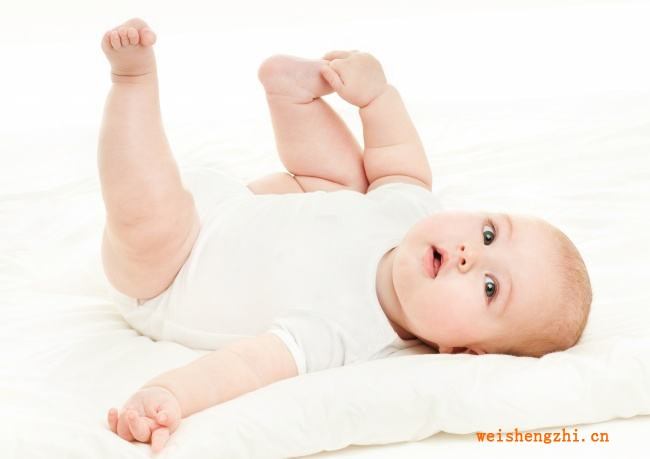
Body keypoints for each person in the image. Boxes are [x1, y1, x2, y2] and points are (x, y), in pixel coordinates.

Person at [99, 18, 592, 453]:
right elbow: (399, 162)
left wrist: (169, 394)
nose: (470, 255)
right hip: (238, 204)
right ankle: (293, 97)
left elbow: (245, 366)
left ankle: (132, 84)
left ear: (464, 353)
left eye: (490, 287)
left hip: (171, 270)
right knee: (348, 184)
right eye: (488, 233)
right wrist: (377, 97)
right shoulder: (413, 215)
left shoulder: (346, 334)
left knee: (147, 221)